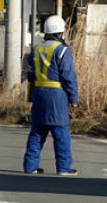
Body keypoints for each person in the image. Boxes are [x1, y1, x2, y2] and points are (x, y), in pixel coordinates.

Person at [23, 14, 79, 176]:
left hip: (39, 93)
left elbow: (31, 76)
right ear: (60, 33)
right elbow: (68, 76)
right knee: (61, 132)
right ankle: (63, 167)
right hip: (57, 94)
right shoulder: (62, 51)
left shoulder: (36, 49)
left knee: (37, 131)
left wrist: (30, 96)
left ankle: (30, 166)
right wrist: (74, 98)